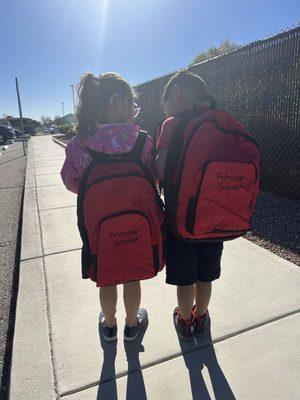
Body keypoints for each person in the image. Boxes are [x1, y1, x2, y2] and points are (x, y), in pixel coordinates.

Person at [61, 72, 164, 342]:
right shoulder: (141, 140)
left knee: (106, 276)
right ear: (117, 101)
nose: (134, 110)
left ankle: (109, 326)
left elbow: (72, 182)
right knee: (132, 275)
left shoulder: (79, 144)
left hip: (100, 225)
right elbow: (152, 176)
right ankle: (132, 325)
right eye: (132, 103)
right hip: (138, 222)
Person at [155, 70, 224, 340]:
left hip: (180, 219)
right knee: (205, 275)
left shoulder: (171, 125)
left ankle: (185, 321)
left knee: (184, 276)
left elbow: (161, 169)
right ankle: (202, 315)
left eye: (165, 101)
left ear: (176, 93)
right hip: (213, 217)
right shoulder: (217, 122)